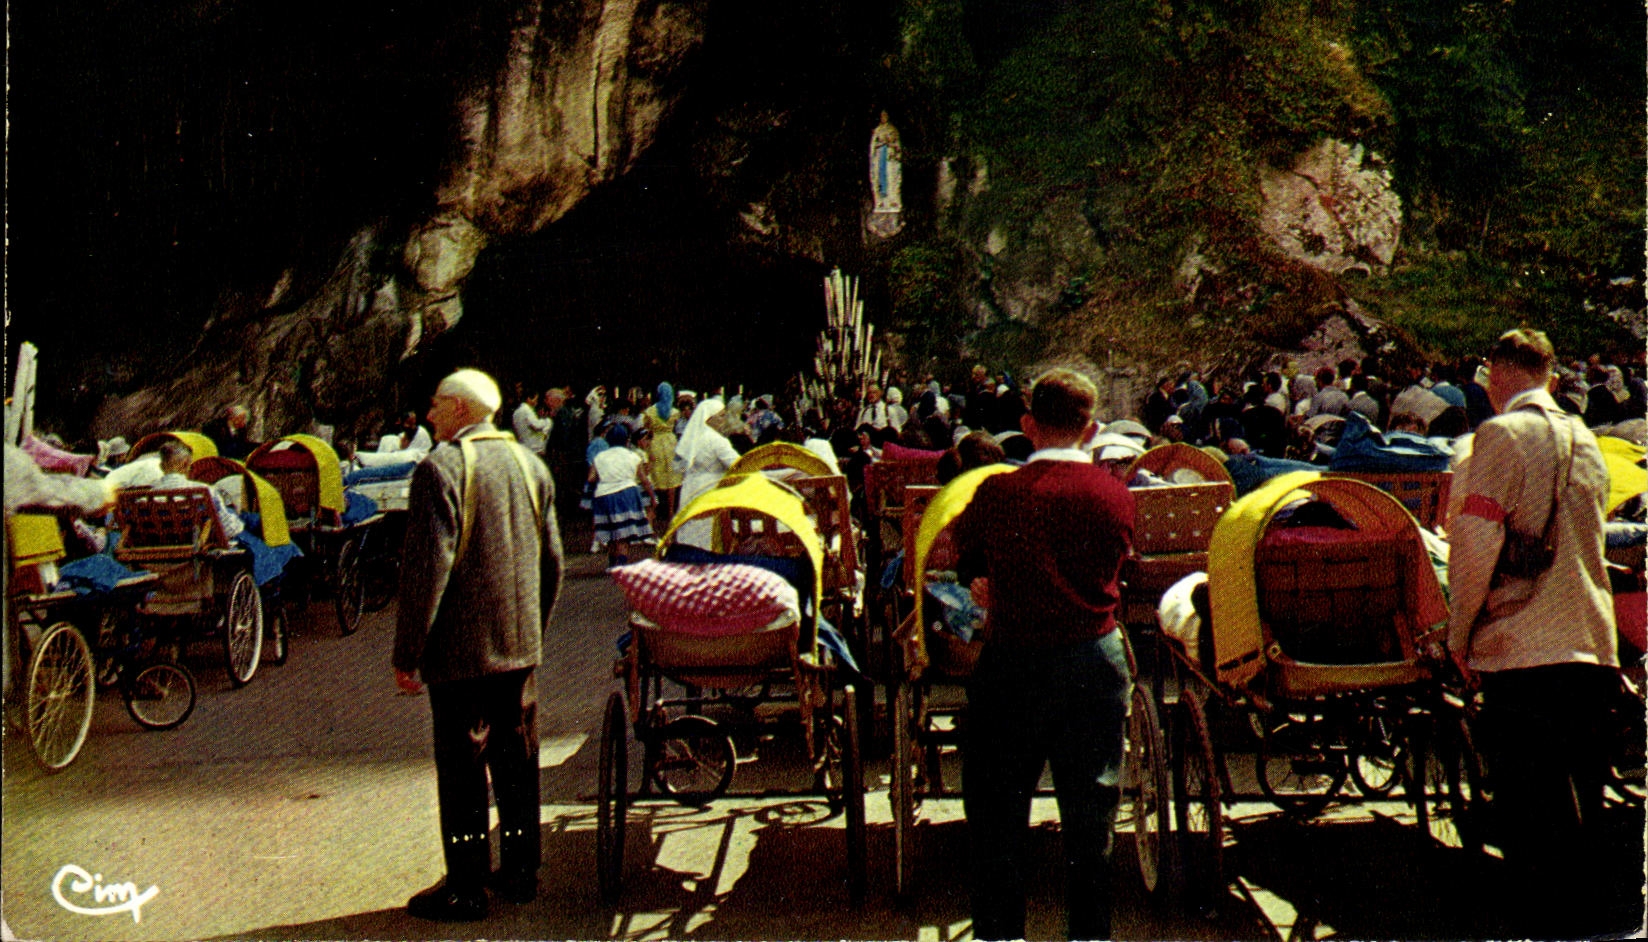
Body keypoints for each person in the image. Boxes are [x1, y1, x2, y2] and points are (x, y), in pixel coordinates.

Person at [950, 368, 1135, 941]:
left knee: (998, 821)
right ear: (1092, 428)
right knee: (1090, 824)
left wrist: (987, 580)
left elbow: (968, 559)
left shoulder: (996, 493)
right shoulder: (1114, 494)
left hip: (1013, 662)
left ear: (1028, 425)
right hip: (1093, 660)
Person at [1446, 329, 1618, 926]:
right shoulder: (1587, 441)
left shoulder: (1497, 436)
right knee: (1580, 809)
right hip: (1592, 644)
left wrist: (1457, 634)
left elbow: (1474, 542)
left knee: (1530, 822)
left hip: (1522, 649)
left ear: (1497, 374)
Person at [392, 368, 562, 921]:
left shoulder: (440, 468)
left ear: (462, 410)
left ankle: (465, 886)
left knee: (463, 767)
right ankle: (519, 872)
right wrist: (532, 629)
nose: (430, 413)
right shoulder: (531, 465)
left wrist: (408, 652)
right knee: (517, 759)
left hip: (461, 651)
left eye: (438, 404)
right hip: (518, 645)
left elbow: (427, 571)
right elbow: (552, 562)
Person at [672, 398, 740, 549]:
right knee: (708, 532)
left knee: (691, 528)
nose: (724, 420)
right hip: (710, 488)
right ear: (709, 419)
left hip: (691, 486)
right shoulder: (717, 440)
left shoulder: (694, 437)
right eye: (721, 416)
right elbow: (738, 465)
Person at [589, 424, 654, 568]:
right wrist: (652, 496)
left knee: (610, 532)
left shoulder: (599, 457)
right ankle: (622, 563)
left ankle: (612, 564)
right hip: (627, 494)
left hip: (603, 495)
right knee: (624, 533)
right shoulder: (633, 456)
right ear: (626, 440)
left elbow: (591, 478)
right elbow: (644, 479)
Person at [152, 440, 243, 541]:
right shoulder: (204, 490)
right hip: (201, 544)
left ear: (161, 466)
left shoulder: (144, 497)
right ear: (186, 464)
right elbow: (229, 530)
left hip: (165, 542)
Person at [642, 383, 683, 524]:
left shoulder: (649, 412)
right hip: (671, 443)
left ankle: (655, 509)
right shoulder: (674, 412)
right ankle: (671, 512)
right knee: (671, 478)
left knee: (655, 477)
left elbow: (646, 429)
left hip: (655, 443)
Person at [511, 390, 553, 457]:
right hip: (532, 447)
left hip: (522, 444)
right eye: (535, 399)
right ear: (529, 399)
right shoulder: (527, 410)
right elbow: (536, 425)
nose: (536, 402)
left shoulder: (516, 411)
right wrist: (547, 421)